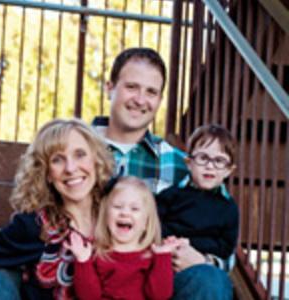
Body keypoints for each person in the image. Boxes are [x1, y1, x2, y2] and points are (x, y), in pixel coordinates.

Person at [92, 47, 233, 299]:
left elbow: (222, 230)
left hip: (156, 283)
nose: (140, 99)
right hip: (89, 275)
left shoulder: (185, 167)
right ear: (110, 87)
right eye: (132, 87)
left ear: (159, 100)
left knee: (209, 279)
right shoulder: (74, 152)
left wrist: (204, 259)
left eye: (151, 92)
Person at [0, 118, 114, 300]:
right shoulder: (34, 225)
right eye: (57, 160)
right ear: (46, 173)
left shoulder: (118, 213)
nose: (70, 168)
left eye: (80, 154)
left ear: (95, 159)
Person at [157, 124, 239, 298]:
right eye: (203, 158)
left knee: (213, 281)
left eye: (219, 161)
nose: (210, 166)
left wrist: (197, 250)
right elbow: (153, 224)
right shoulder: (171, 195)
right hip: (164, 260)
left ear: (228, 170)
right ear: (189, 163)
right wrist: (171, 242)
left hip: (199, 265)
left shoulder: (228, 208)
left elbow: (225, 247)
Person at [67, 176, 176, 300]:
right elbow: (89, 296)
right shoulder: (97, 253)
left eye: (134, 209)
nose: (125, 213)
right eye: (117, 206)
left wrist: (163, 257)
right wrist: (83, 261)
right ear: (106, 216)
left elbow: (160, 295)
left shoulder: (151, 256)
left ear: (146, 223)